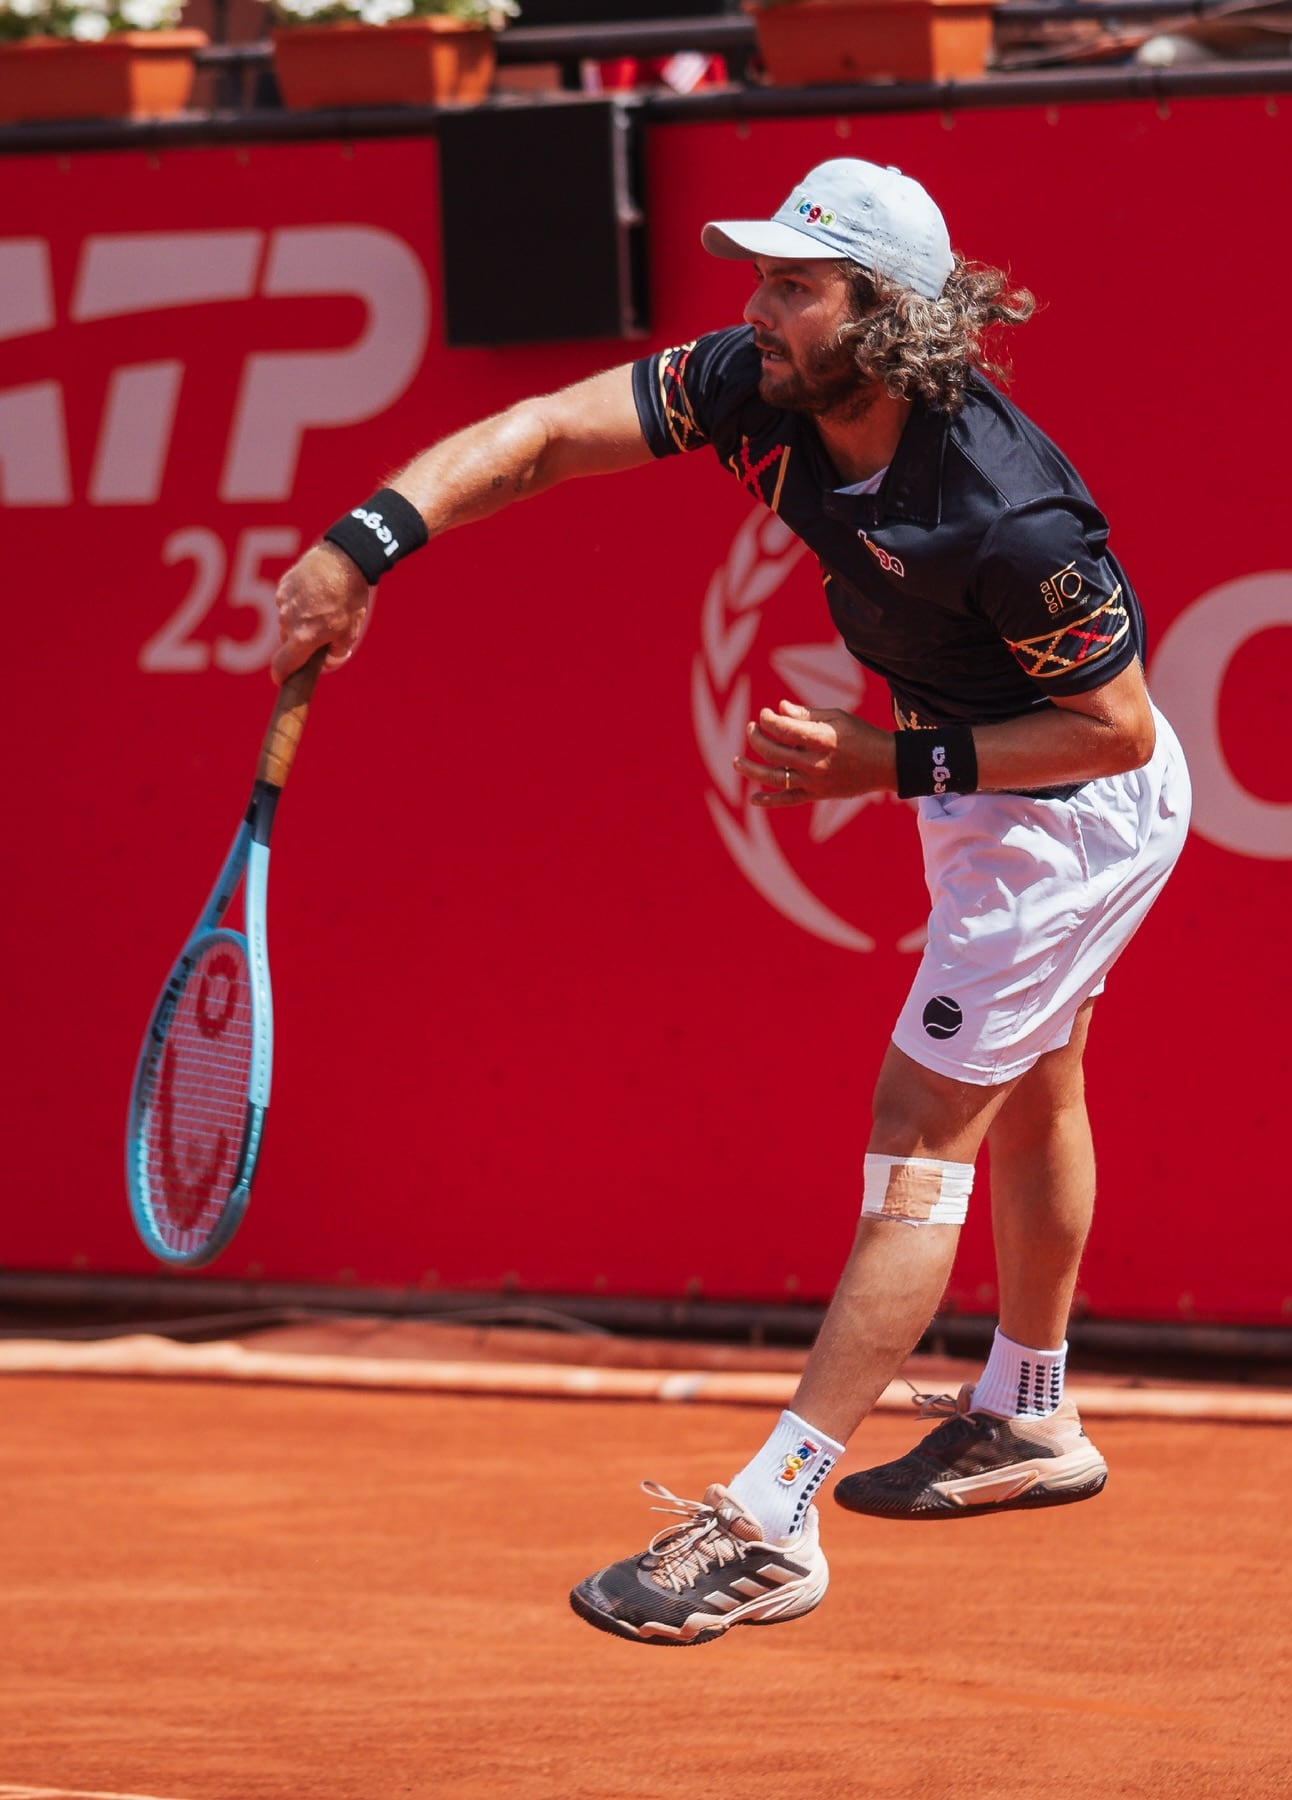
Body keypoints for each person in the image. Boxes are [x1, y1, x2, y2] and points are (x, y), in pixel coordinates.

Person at [271, 158, 1191, 1649]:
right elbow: (547, 434)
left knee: (918, 1133)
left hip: (1067, 817)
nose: (755, 309)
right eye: (759, 277)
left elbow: (1118, 731)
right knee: (1035, 1085)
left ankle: (772, 1518)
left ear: (884, 318)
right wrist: (361, 542)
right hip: (981, 793)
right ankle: (1030, 1414)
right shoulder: (762, 383)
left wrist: (890, 763)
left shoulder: (1011, 514)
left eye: (792, 285)